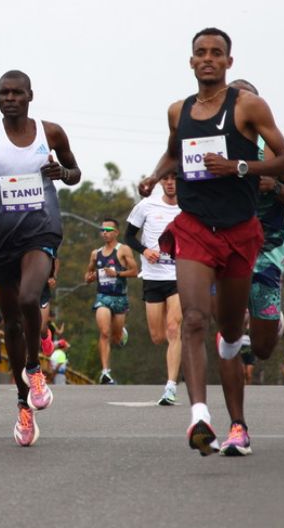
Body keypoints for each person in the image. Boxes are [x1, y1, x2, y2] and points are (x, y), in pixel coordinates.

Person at [137, 28, 284, 457]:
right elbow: (175, 152)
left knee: (229, 335)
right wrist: (155, 175)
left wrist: (238, 167)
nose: (207, 59)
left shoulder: (248, 106)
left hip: (241, 232)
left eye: (216, 53)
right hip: (194, 227)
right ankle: (199, 417)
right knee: (192, 318)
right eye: (200, 53)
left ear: (228, 61)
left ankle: (239, 425)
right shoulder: (179, 110)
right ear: (191, 62)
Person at [0, 70, 82, 447]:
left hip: (41, 232)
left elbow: (75, 173)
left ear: (30, 96)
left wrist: (61, 172)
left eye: (17, 92)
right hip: (1, 239)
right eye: (3, 93)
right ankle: (22, 403)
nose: (10, 98)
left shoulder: (51, 133)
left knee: (31, 298)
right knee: (10, 324)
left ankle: (34, 368)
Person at [227, 79, 284, 365]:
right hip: (227, 244)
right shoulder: (214, 146)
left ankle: (270, 322)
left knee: (262, 349)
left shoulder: (272, 151)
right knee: (213, 316)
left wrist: (275, 187)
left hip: (267, 248)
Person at [126, 173, 182, 404]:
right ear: (160, 182)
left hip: (179, 276)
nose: (170, 182)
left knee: (173, 329)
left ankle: (170, 386)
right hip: (152, 277)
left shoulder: (189, 206)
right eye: (165, 179)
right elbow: (128, 236)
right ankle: (175, 360)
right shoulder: (146, 205)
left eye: (174, 178)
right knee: (158, 336)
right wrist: (145, 251)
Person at [86, 218, 138, 385]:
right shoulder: (95, 253)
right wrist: (90, 277)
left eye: (108, 230)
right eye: (102, 230)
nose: (105, 233)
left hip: (120, 298)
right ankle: (105, 372)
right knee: (104, 333)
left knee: (115, 337)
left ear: (116, 232)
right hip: (102, 297)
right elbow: (88, 274)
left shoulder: (123, 250)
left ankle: (121, 332)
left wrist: (117, 274)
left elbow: (135, 271)